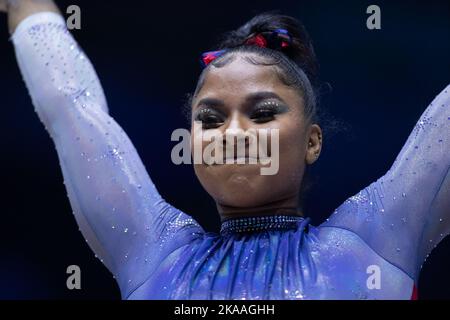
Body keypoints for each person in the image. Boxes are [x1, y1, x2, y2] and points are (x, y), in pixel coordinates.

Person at [1, 0, 449, 299]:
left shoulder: (378, 237)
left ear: (312, 141)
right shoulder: (154, 252)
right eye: (211, 119)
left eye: (263, 113)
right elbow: (71, 106)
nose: (232, 133)